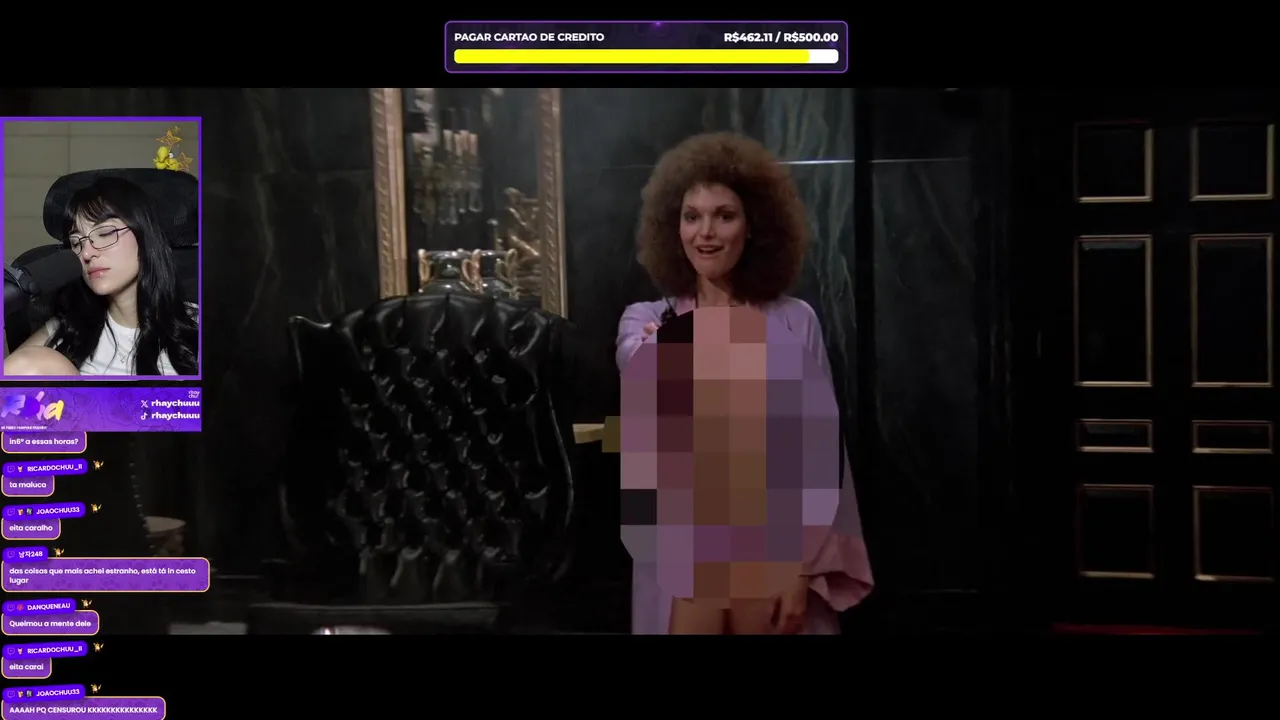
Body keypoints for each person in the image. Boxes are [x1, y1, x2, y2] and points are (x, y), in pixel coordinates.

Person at [615, 132, 873, 634]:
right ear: (673, 226)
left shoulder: (795, 321)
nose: (706, 233)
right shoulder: (644, 319)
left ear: (753, 226)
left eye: (724, 215)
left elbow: (819, 454)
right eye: (692, 216)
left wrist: (803, 568)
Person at [4, 176, 198, 376]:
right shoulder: (65, 329)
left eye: (105, 233)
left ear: (145, 236)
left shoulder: (199, 327)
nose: (87, 253)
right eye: (77, 243)